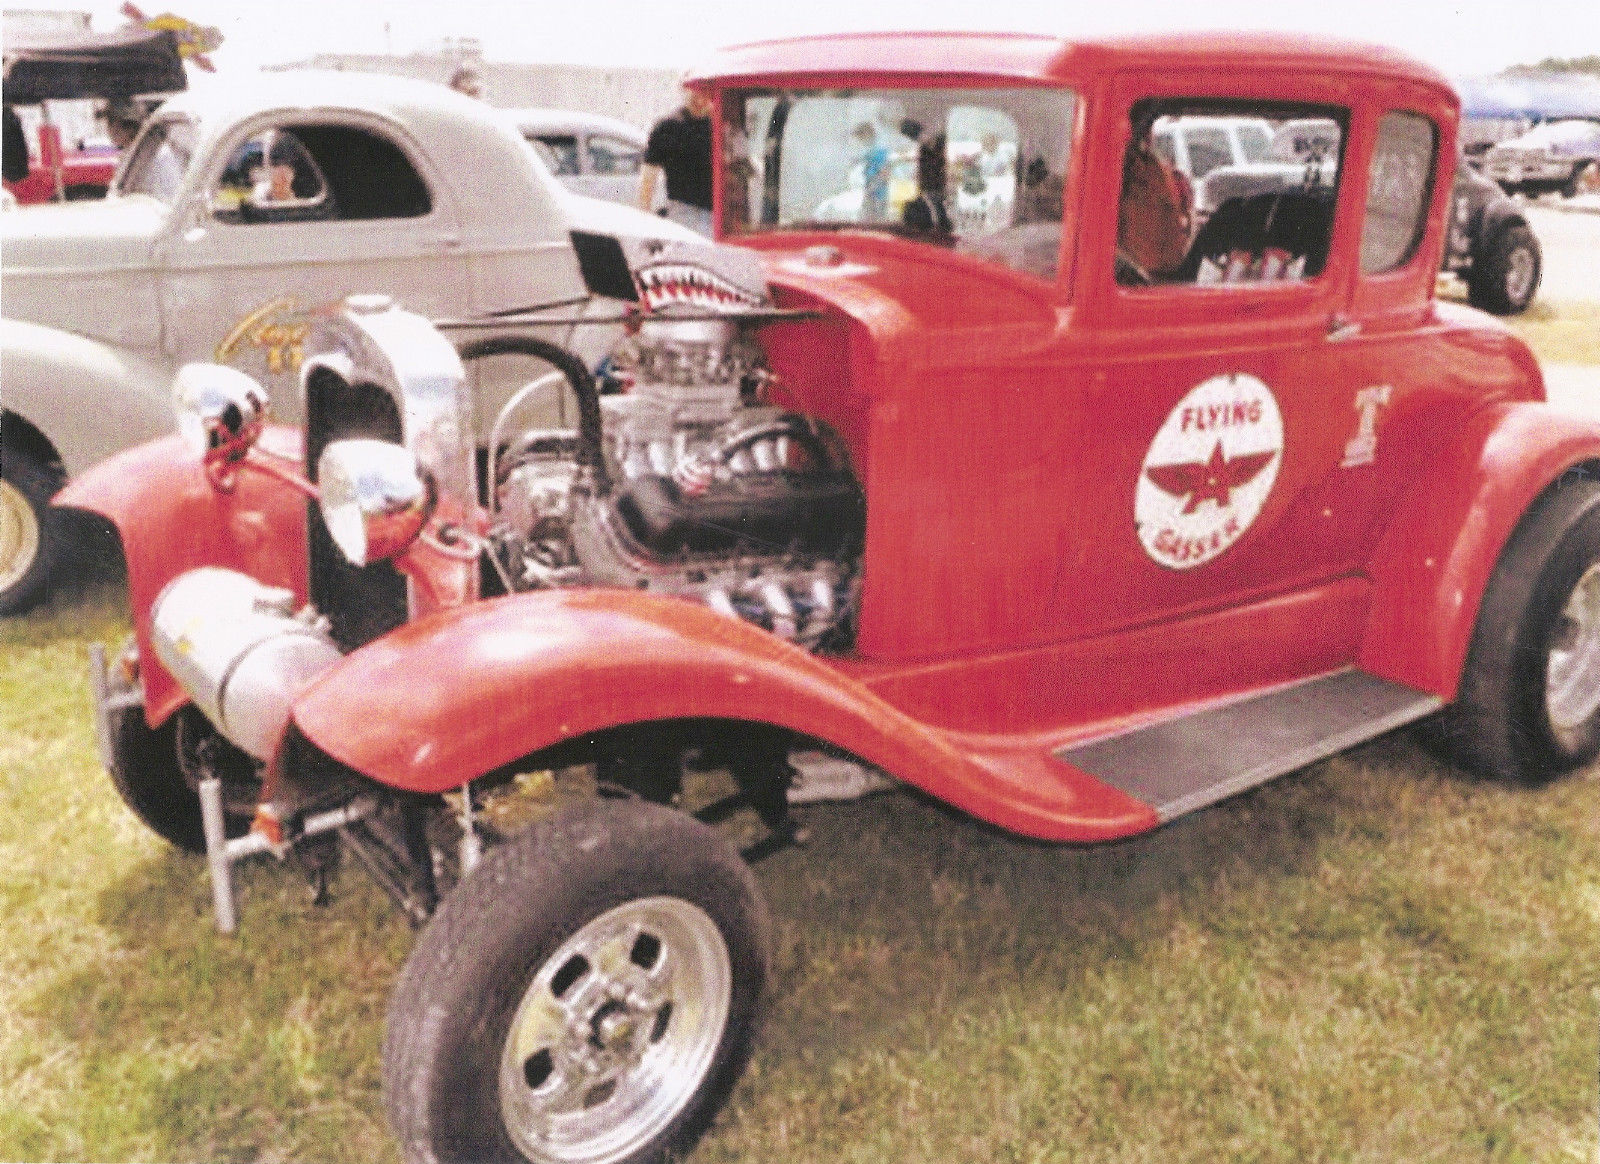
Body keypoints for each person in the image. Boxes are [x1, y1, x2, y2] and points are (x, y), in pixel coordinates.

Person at [641, 82, 714, 236]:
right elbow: (648, 178)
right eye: (696, 91)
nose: (700, 98)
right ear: (685, 90)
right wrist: (643, 220)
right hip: (681, 215)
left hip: (716, 217)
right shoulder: (667, 127)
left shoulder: (720, 125)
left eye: (706, 91)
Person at [853, 121, 891, 223]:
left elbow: (884, 172)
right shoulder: (870, 150)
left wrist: (872, 187)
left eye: (860, 137)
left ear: (867, 134)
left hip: (878, 192)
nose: (860, 141)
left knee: (876, 221)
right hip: (871, 189)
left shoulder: (879, 150)